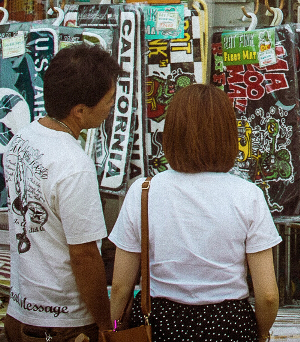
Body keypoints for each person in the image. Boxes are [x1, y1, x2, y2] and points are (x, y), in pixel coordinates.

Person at [109, 84, 280, 342]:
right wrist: (262, 332)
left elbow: (121, 287)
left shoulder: (143, 191)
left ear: (172, 132)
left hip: (160, 323)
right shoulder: (248, 195)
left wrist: (112, 328)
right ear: (228, 134)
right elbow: (267, 295)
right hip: (230, 323)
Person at [3, 44, 121, 342]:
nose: (111, 107)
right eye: (108, 101)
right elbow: (84, 255)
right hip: (62, 324)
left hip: (21, 313)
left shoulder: (22, 139)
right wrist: (107, 325)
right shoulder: (73, 164)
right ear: (80, 111)